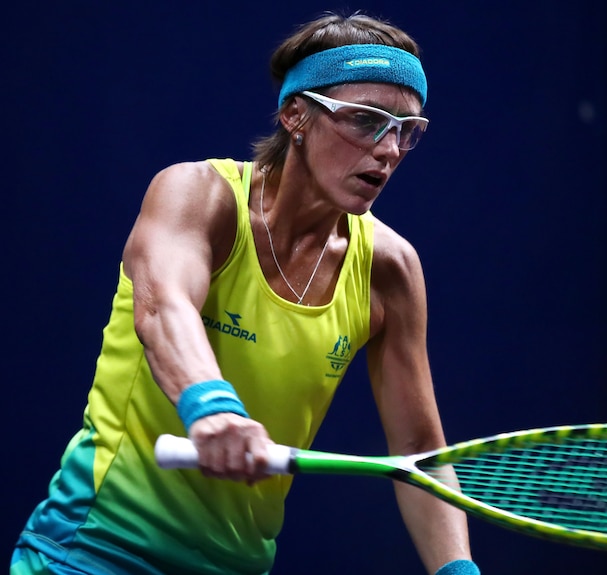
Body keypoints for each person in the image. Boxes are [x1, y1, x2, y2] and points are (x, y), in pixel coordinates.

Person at [12, 12, 479, 575]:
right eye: (365, 121)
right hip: (94, 550)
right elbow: (163, 309)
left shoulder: (390, 268)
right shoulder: (197, 195)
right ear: (295, 115)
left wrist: (457, 570)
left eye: (407, 130)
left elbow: (420, 458)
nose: (389, 149)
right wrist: (211, 408)